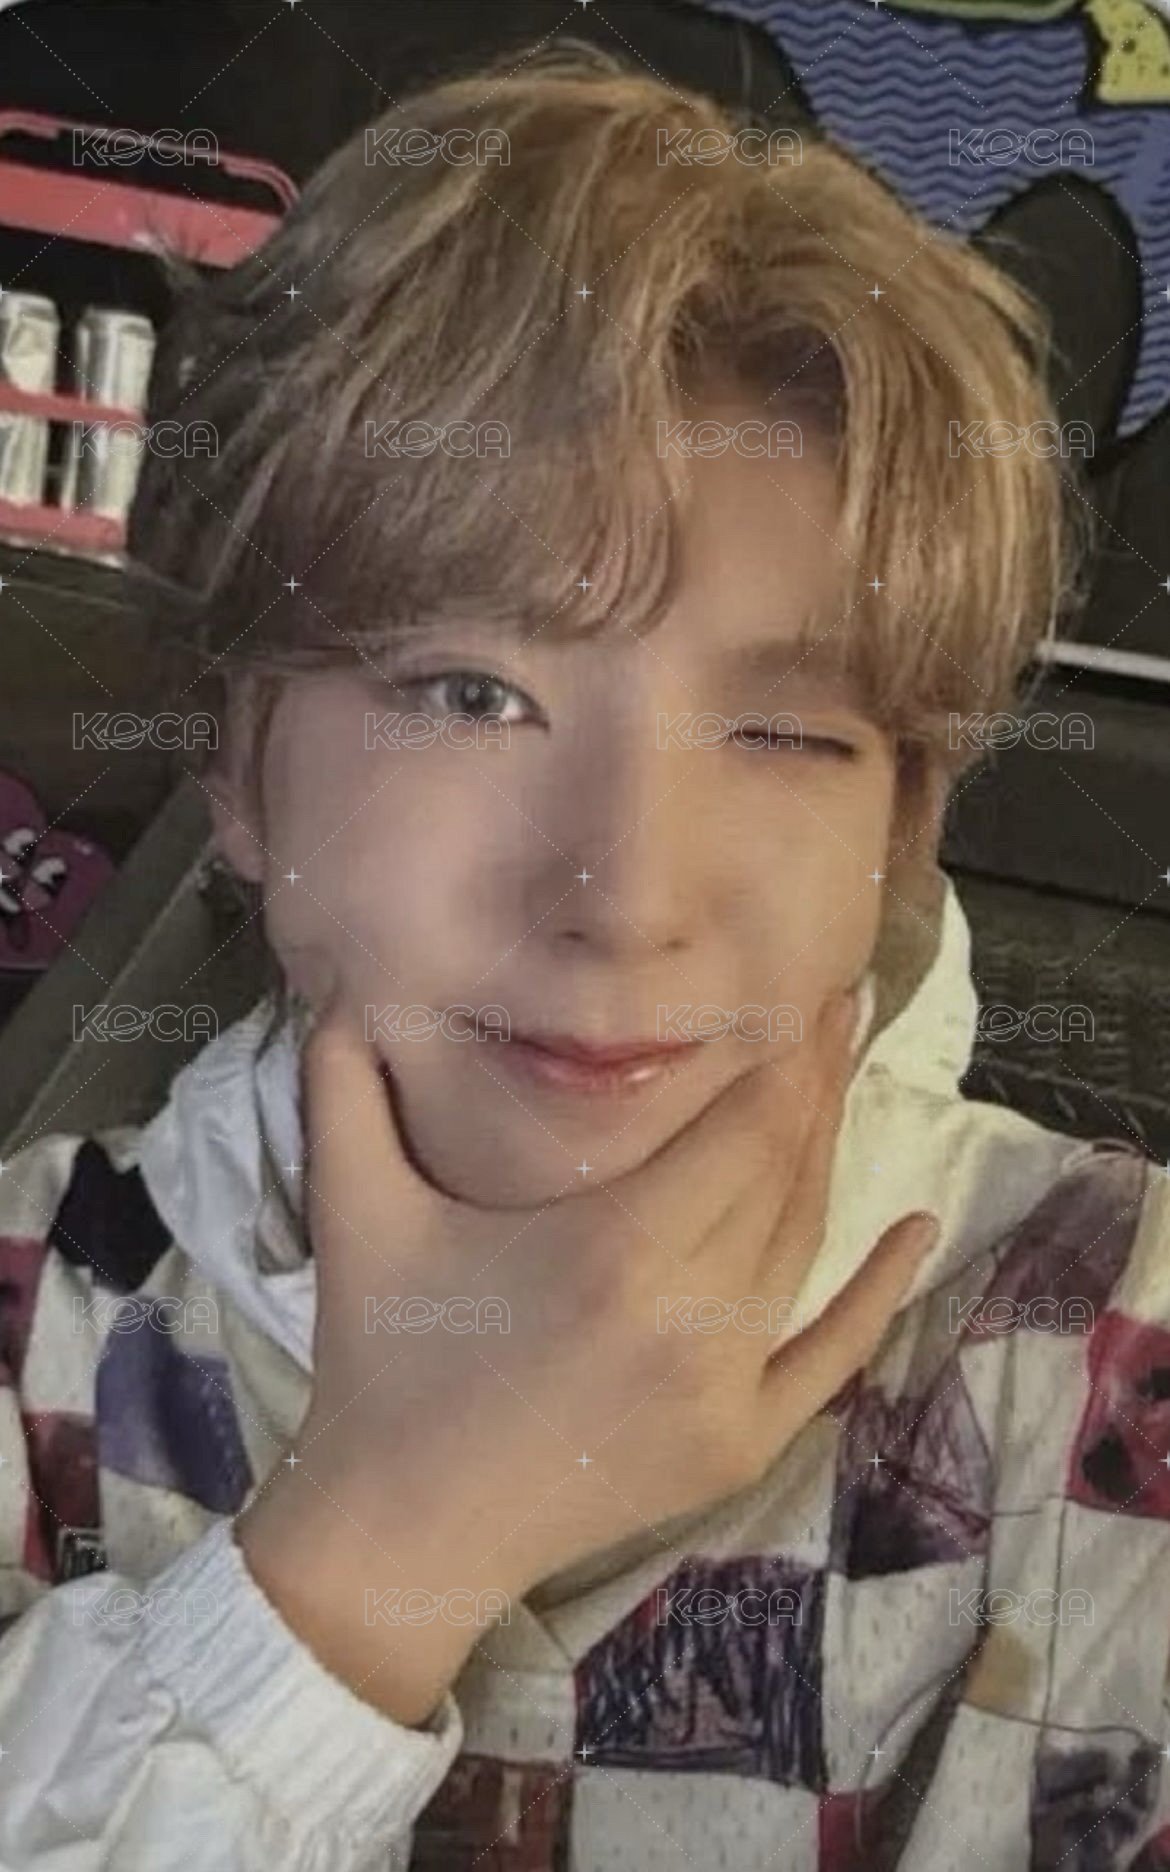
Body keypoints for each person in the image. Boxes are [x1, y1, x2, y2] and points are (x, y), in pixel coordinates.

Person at [0, 39, 1167, 1872]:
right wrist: (379, 1547)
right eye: (470, 693)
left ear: (901, 826)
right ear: (232, 762)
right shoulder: (27, 1327)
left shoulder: (1125, 1349)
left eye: (780, 733)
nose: (621, 895)